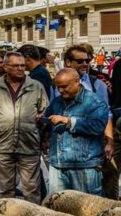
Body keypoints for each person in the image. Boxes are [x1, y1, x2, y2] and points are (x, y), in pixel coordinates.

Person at [0, 51, 49, 202]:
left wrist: (37, 127)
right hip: (4, 145)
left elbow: (45, 110)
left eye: (23, 65)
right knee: (5, 189)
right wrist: (2, 126)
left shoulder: (36, 86)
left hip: (29, 144)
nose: (20, 69)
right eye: (15, 65)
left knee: (32, 189)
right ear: (5, 67)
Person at [43, 67, 110, 195]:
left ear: (77, 82)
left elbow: (97, 127)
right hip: (58, 164)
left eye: (64, 86)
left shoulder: (95, 102)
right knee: (56, 208)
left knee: (86, 210)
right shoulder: (57, 101)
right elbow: (48, 120)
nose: (60, 90)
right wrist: (42, 121)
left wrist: (68, 121)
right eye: (58, 87)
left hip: (84, 166)